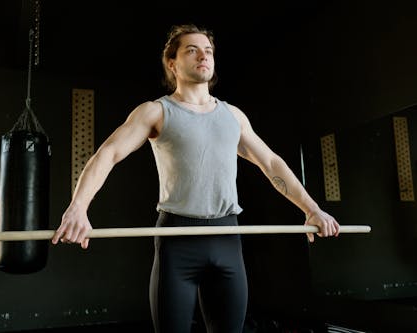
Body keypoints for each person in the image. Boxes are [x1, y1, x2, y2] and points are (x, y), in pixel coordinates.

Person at [51, 24, 340, 333]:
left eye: (209, 50)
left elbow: (271, 163)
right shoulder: (156, 112)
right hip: (178, 241)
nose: (204, 55)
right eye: (192, 49)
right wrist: (78, 207)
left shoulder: (233, 116)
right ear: (172, 63)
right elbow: (108, 154)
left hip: (227, 237)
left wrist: (312, 209)